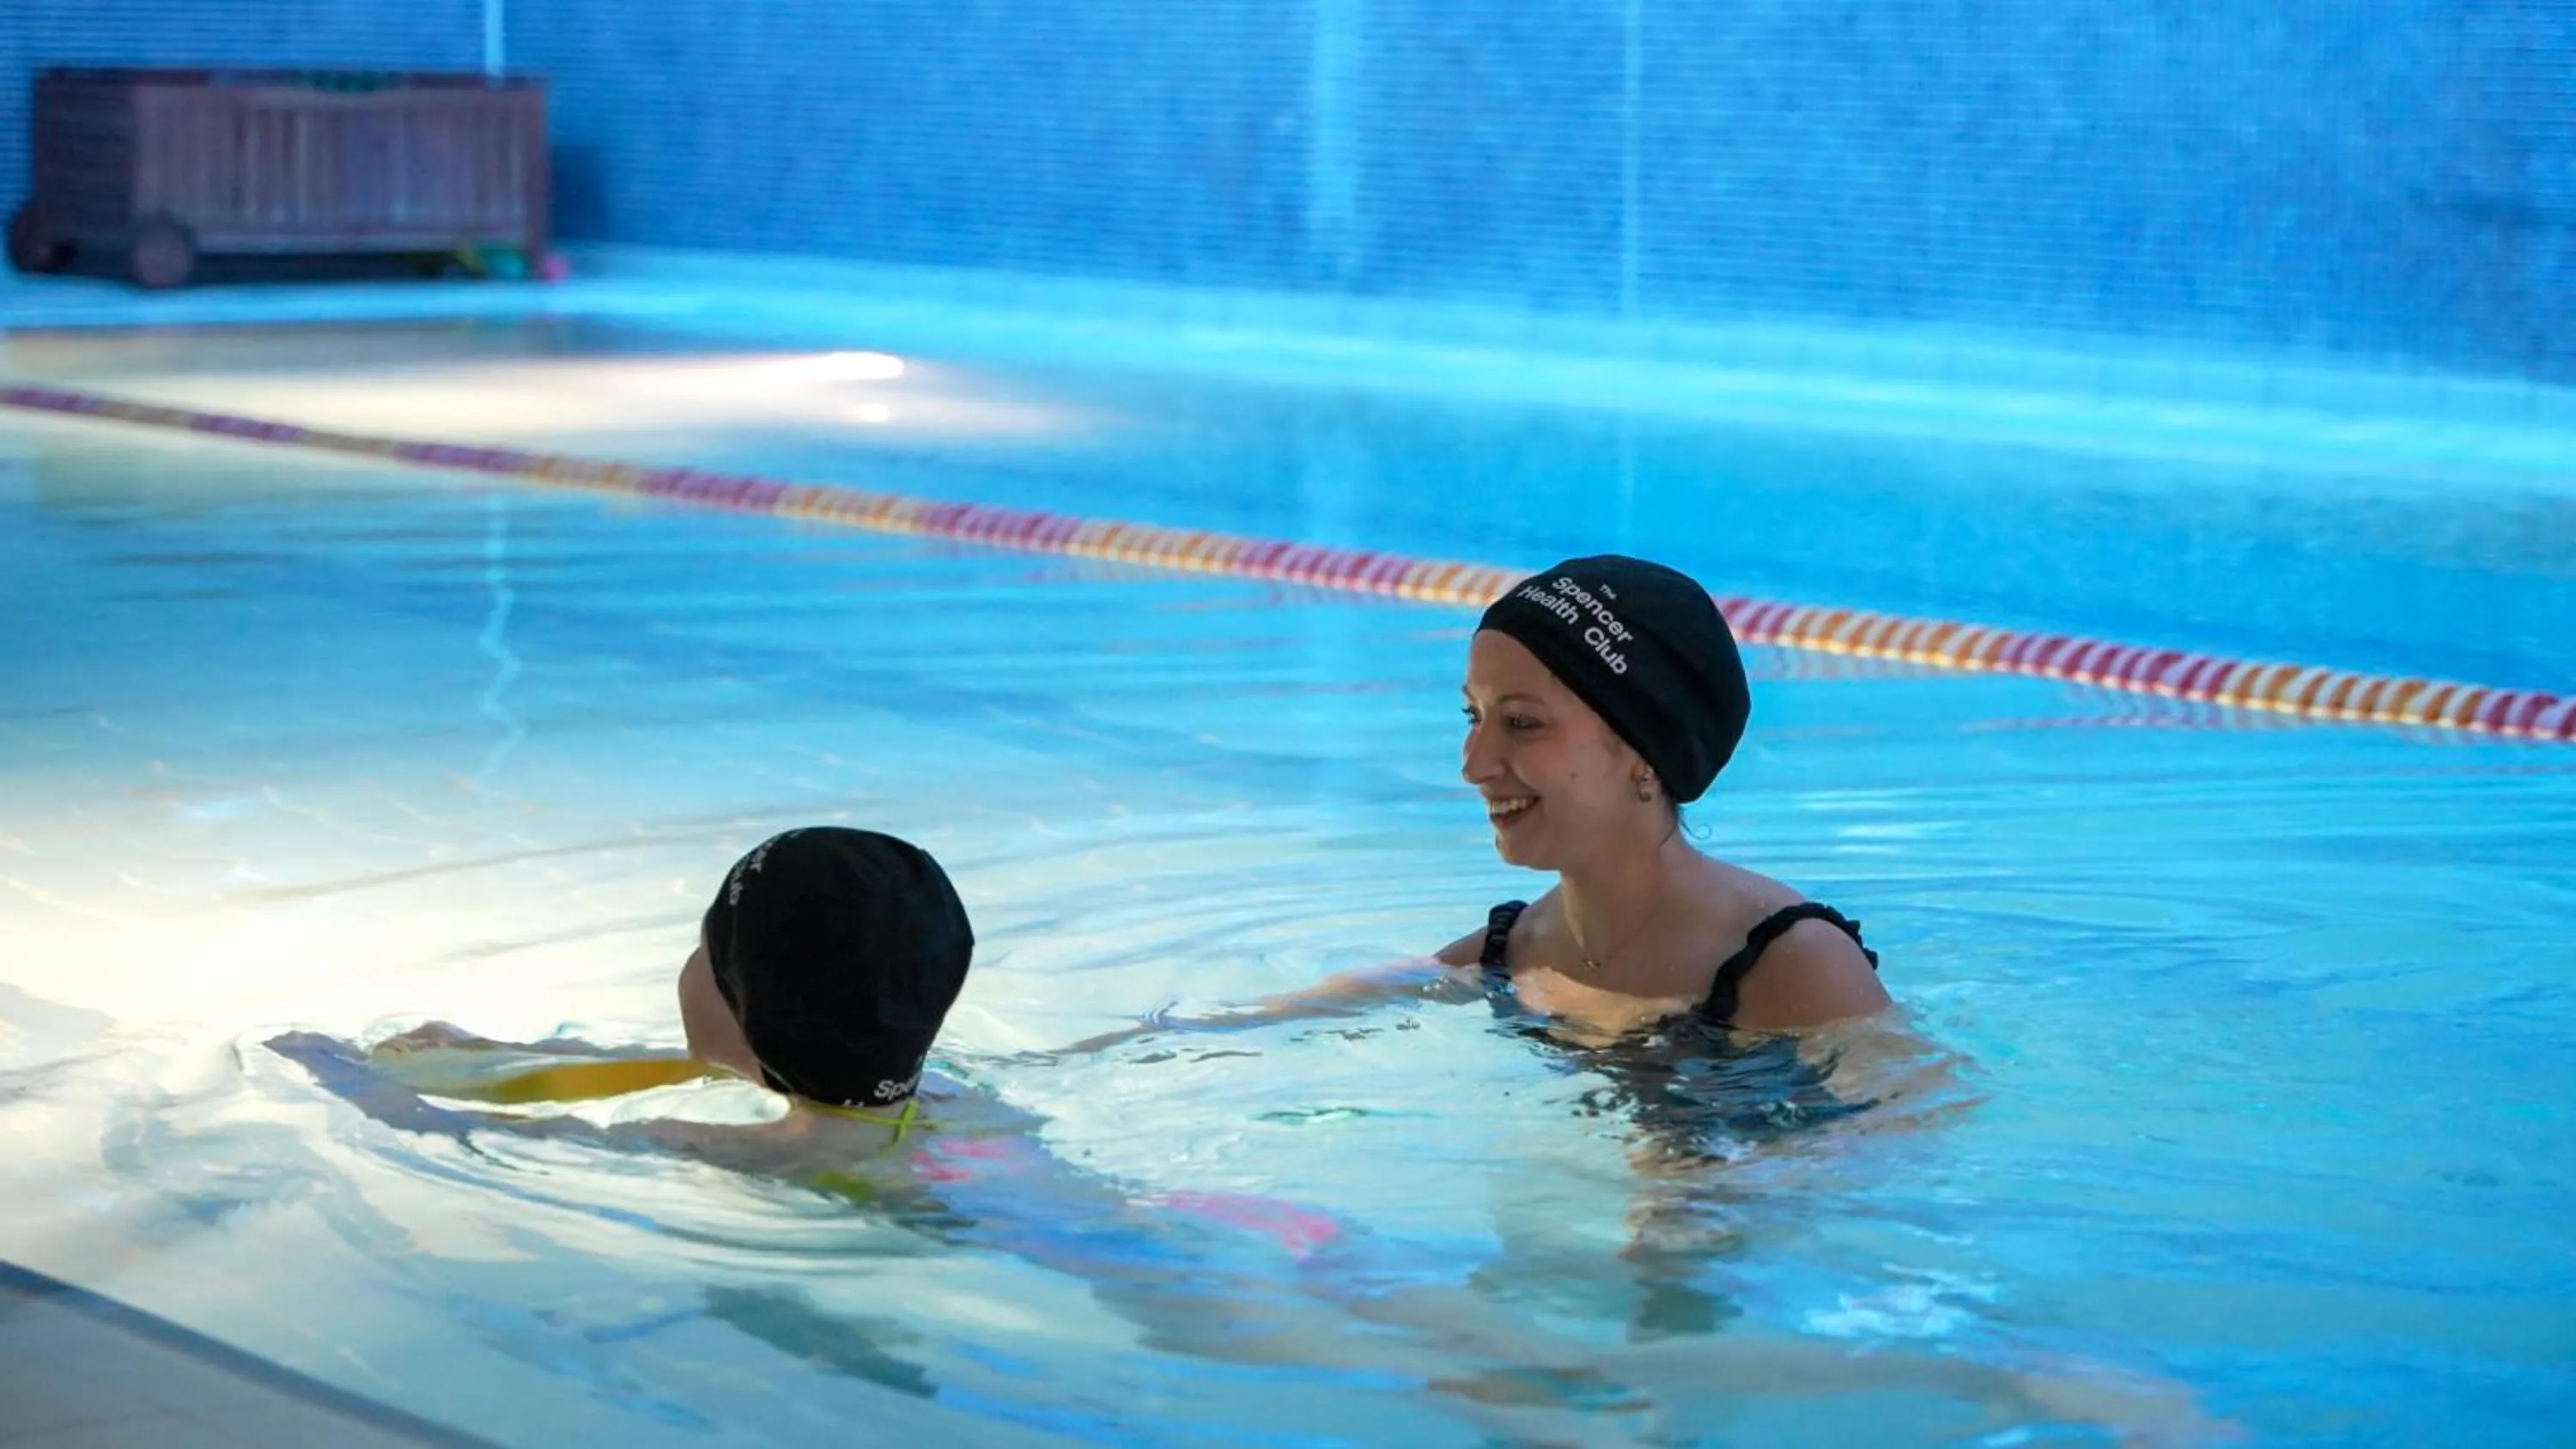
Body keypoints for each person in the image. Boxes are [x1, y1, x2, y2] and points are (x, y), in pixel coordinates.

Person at [1069, 554, 1892, 1056]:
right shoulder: (1517, 950)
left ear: (1643, 754)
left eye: (1522, 724)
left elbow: (1908, 1145)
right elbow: (1278, 1024)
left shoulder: (1786, 963)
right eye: (1473, 717)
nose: (1473, 764)